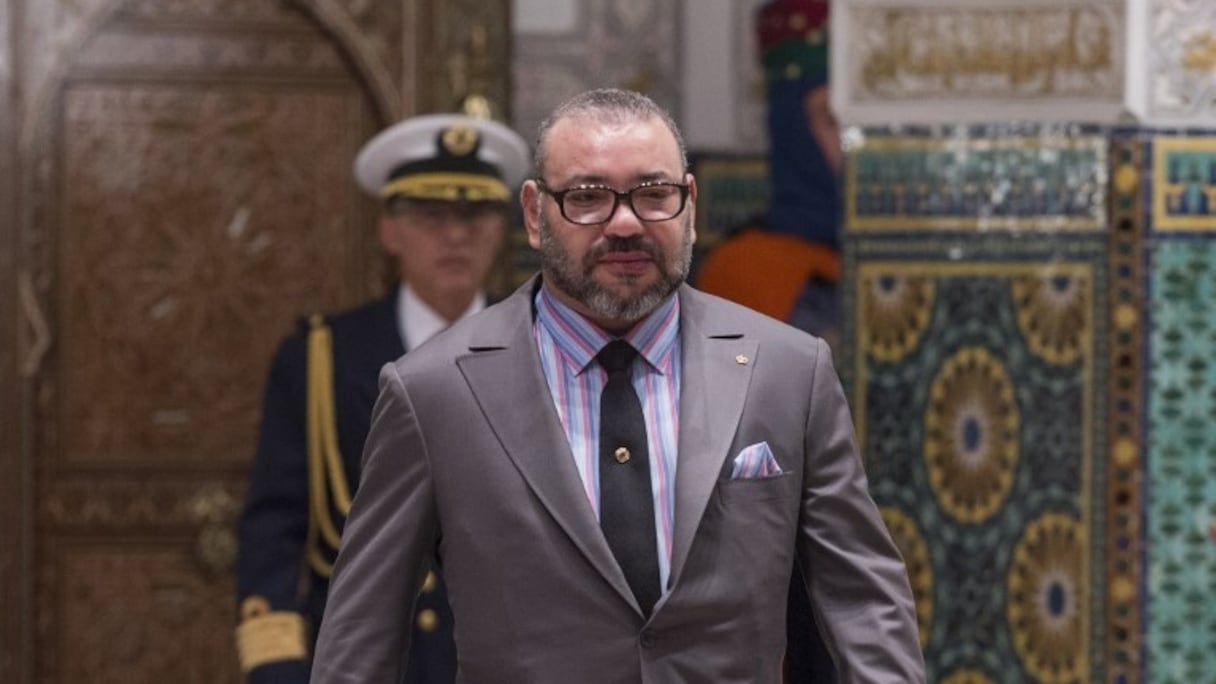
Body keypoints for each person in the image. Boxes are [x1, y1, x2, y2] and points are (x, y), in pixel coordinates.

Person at [310, 88, 924, 683]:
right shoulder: (434, 391)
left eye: (653, 194)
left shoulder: (787, 371)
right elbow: (362, 637)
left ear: (690, 203)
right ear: (533, 213)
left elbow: (863, 600)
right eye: (587, 197)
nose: (626, 223)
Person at [233, 113, 531, 684]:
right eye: (429, 215)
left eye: (475, 215)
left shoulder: (544, 347)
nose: (455, 235)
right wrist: (279, 666)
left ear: (500, 231)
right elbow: (275, 527)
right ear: (389, 232)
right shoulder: (321, 358)